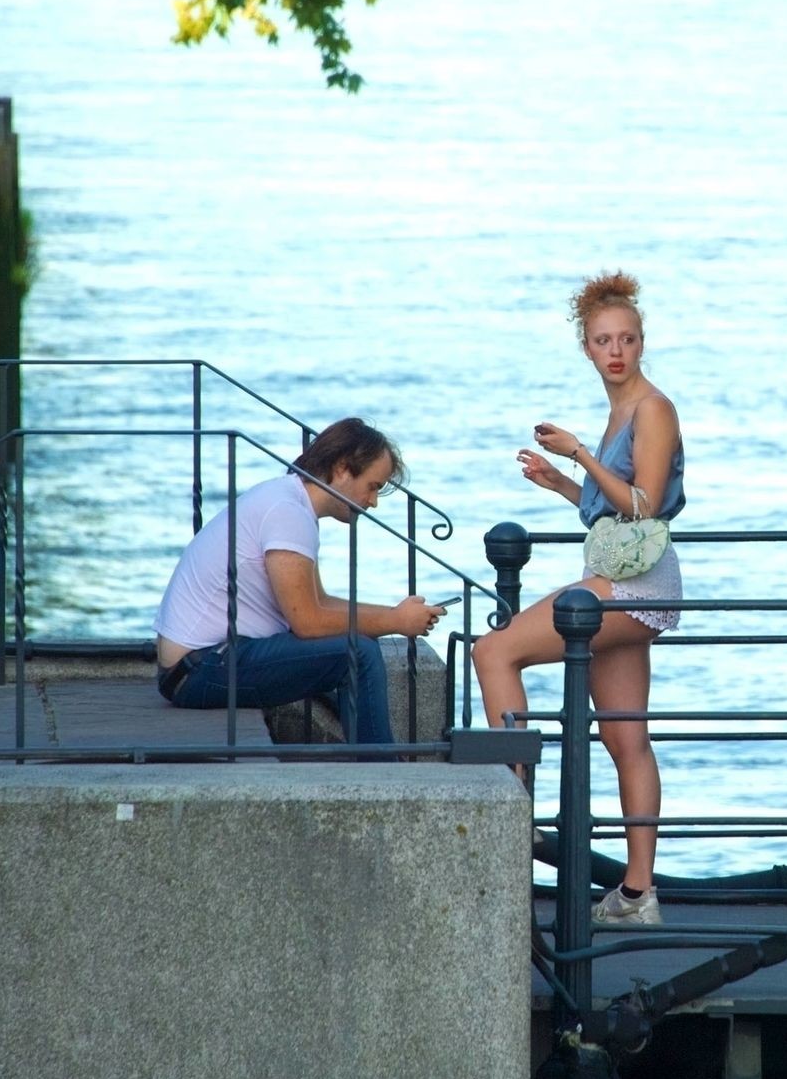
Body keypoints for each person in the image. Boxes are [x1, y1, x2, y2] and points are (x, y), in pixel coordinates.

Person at [473, 272, 685, 926]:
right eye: (603, 341)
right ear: (587, 348)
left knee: (493, 652)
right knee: (626, 739)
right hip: (626, 578)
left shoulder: (652, 409)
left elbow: (644, 504)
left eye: (627, 339)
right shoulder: (621, 411)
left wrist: (581, 456)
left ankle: (514, 816)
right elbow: (611, 514)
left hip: (632, 585)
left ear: (642, 342)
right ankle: (637, 895)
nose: (615, 351)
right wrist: (562, 483)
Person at [153, 417, 445, 750]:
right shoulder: (288, 512)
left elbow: (319, 603)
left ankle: (373, 757)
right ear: (342, 469)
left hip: (201, 664)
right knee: (359, 653)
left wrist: (394, 614)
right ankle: (381, 769)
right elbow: (307, 622)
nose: (373, 501)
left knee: (357, 642)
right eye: (373, 486)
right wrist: (395, 622)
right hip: (199, 670)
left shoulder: (290, 501)